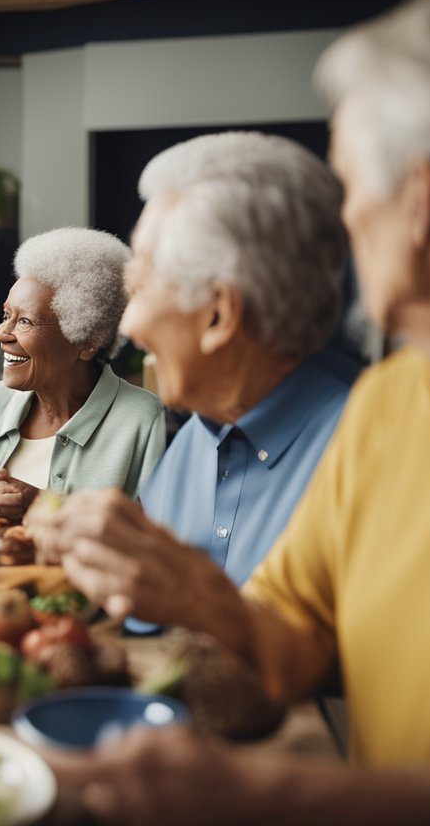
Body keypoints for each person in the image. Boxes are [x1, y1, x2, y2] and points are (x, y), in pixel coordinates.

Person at [26, 0, 430, 822]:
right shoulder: (391, 404)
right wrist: (188, 588)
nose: (344, 217)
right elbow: (295, 629)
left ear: (420, 200)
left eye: (352, 183)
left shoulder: (348, 414)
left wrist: (261, 793)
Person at [111, 132, 352, 585]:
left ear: (219, 315)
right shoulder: (188, 446)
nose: (128, 327)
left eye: (140, 287)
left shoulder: (361, 451)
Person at [0, 227, 164, 523]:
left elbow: (156, 543)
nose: (1, 334)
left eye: (25, 321)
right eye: (6, 315)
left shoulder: (143, 420)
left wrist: (44, 508)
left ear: (88, 341)